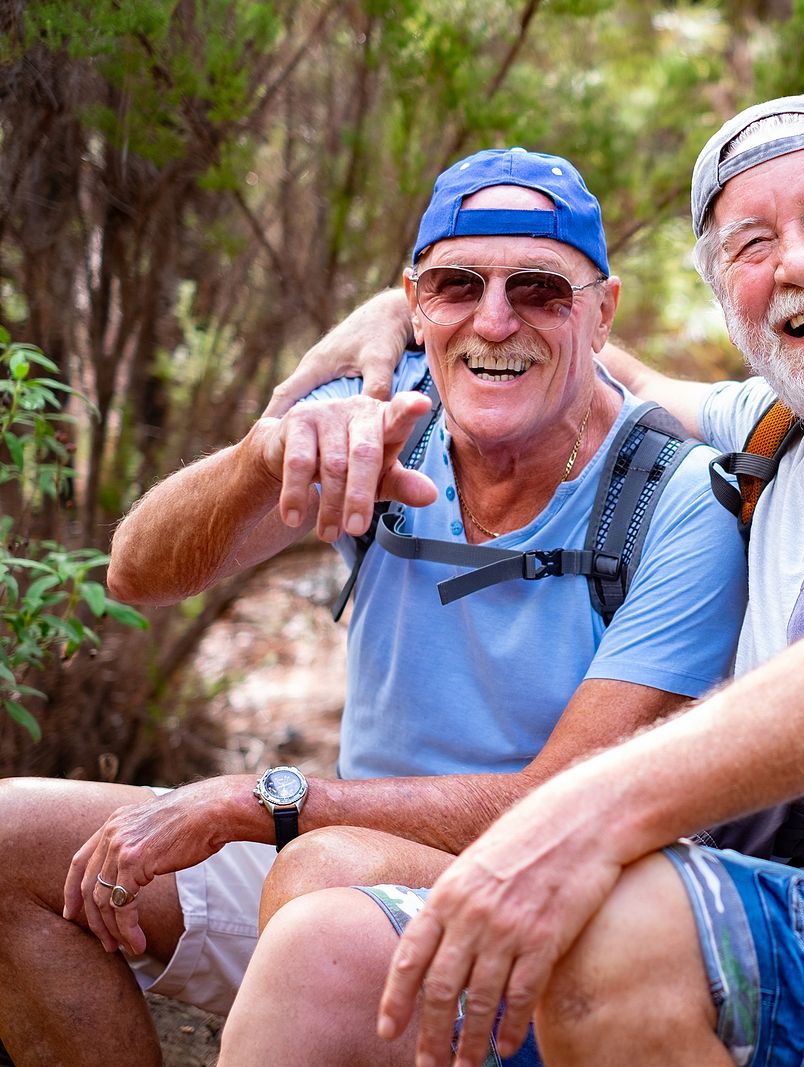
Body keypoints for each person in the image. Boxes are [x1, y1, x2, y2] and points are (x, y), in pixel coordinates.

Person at [221, 94, 804, 1067]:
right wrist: (423, 308)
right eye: (751, 244)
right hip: (792, 902)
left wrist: (572, 818)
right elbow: (596, 361)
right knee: (325, 944)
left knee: (606, 923)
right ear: (731, 301)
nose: (798, 262)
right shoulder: (778, 429)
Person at [0, 148, 746, 1067]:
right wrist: (263, 457)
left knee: (323, 875)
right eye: (458, 284)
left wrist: (258, 800)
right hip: (335, 851)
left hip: (547, 891)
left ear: (604, 308)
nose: (496, 319)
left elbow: (562, 800)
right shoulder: (386, 419)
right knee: (10, 838)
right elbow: (136, 572)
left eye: (542, 289)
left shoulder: (675, 500)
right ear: (415, 302)